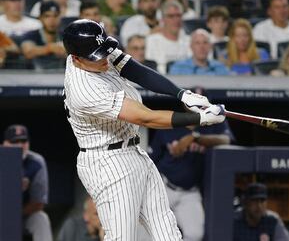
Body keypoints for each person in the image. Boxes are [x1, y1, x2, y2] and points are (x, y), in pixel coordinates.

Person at [62, 19, 225, 241]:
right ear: (76, 59)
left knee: (168, 234)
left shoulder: (90, 49)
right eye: (97, 57)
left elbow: (131, 68)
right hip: (106, 162)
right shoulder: (83, 90)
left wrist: (181, 94)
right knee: (122, 237)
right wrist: (200, 118)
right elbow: (146, 117)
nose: (104, 59)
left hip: (134, 152)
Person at [149, 118, 234, 241]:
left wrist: (195, 138)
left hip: (189, 192)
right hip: (164, 187)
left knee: (195, 234)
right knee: (147, 230)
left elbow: (226, 140)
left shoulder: (213, 120)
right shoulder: (170, 122)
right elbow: (151, 160)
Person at [2, 124, 52, 241]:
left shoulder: (36, 162)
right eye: (15, 141)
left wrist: (13, 215)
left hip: (22, 214)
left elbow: (38, 203)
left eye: (23, 141)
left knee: (41, 219)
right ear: (5, 143)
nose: (20, 145)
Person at [145, 0, 191, 74]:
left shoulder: (190, 41)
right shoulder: (151, 41)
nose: (176, 20)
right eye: (171, 16)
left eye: (178, 15)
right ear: (162, 19)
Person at [21, 0, 67, 70]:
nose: (52, 20)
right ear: (40, 18)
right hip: (35, 77)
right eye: (47, 16)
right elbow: (28, 52)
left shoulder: (66, 36)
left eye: (55, 16)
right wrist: (50, 48)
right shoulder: (31, 35)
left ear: (60, 17)